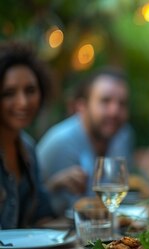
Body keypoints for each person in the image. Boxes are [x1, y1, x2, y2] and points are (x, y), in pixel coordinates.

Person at [37, 68, 134, 216]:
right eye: (105, 101)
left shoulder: (122, 136)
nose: (115, 111)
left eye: (122, 103)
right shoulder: (61, 143)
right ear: (82, 106)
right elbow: (59, 213)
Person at [0, 42, 56, 228]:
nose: (23, 102)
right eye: (9, 93)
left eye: (30, 90)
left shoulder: (28, 148)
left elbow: (42, 218)